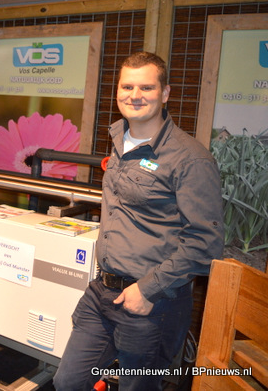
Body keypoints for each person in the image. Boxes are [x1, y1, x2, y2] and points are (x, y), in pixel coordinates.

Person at [53, 52, 224, 391]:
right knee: (68, 382)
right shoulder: (119, 140)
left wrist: (147, 289)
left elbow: (206, 242)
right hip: (102, 292)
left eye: (146, 87)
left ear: (165, 93)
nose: (135, 95)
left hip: (153, 303)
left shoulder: (190, 159)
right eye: (127, 86)